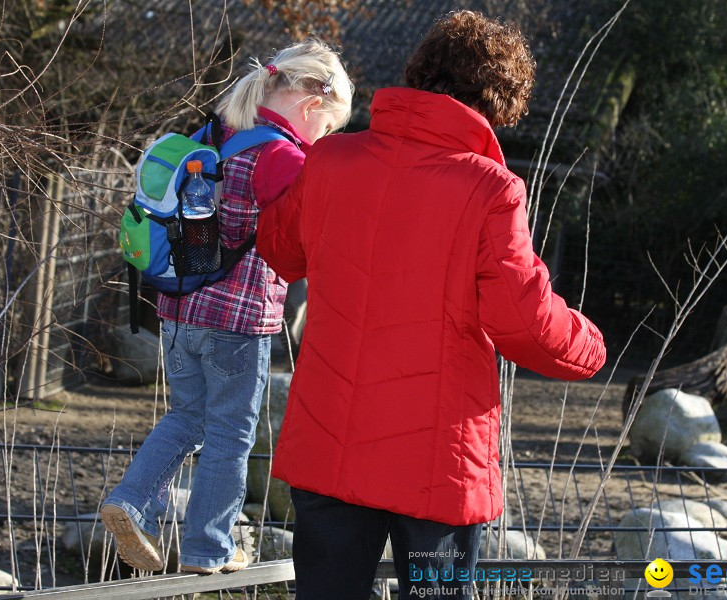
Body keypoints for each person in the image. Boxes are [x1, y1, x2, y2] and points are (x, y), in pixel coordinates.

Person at [256, 11, 606, 600]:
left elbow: (279, 250)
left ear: (419, 75)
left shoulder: (330, 160)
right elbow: (521, 319)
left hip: (329, 443)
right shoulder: (491, 188)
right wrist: (590, 346)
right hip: (435, 463)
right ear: (498, 103)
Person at [100, 39, 353, 575]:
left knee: (186, 416)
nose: (323, 139)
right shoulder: (282, 156)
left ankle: (129, 499)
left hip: (176, 312)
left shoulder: (214, 134)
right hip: (239, 321)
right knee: (230, 436)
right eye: (327, 128)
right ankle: (208, 548)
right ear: (312, 103)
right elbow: (312, 232)